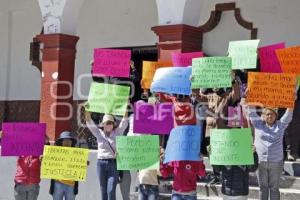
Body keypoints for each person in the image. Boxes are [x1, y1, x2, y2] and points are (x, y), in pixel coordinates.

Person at [247, 106, 294, 200]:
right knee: (262, 188)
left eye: (272, 114)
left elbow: (288, 115)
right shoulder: (258, 124)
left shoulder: (280, 125)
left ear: (276, 116)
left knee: (274, 188)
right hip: (260, 162)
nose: (270, 116)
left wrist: (291, 103)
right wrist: (250, 99)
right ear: (263, 116)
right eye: (267, 114)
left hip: (276, 162)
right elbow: (252, 113)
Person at [85, 110, 129, 200]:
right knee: (103, 190)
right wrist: (87, 110)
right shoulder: (98, 133)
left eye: (111, 123)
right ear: (103, 124)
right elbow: (89, 122)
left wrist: (126, 107)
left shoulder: (117, 132)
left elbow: (124, 121)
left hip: (113, 164)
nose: (109, 125)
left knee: (111, 190)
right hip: (101, 163)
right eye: (107, 123)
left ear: (113, 124)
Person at [49, 131, 78, 200]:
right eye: (65, 140)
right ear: (61, 142)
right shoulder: (55, 153)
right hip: (57, 184)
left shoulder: (77, 154)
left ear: (72, 142)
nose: (67, 142)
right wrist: (44, 159)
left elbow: (80, 167)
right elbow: (48, 163)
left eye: (69, 140)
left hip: (71, 185)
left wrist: (83, 163)